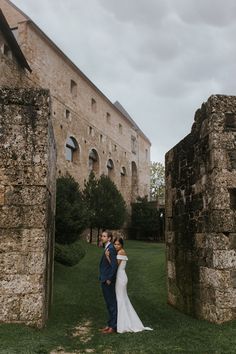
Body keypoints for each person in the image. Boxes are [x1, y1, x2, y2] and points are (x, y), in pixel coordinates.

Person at [105, 237, 153, 333]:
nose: (116, 246)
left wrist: (107, 256)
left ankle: (123, 324)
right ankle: (119, 322)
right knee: (121, 299)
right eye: (115, 244)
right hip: (120, 277)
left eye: (118, 244)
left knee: (120, 299)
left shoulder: (120, 252)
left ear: (122, 245)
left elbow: (114, 266)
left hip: (120, 278)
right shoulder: (120, 252)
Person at [99, 230, 118, 334]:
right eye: (102, 236)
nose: (102, 237)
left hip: (108, 281)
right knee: (108, 303)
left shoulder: (111, 248)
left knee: (111, 303)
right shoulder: (107, 247)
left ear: (109, 238)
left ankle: (113, 327)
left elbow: (114, 266)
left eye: (104, 236)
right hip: (104, 278)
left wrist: (109, 279)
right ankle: (110, 324)